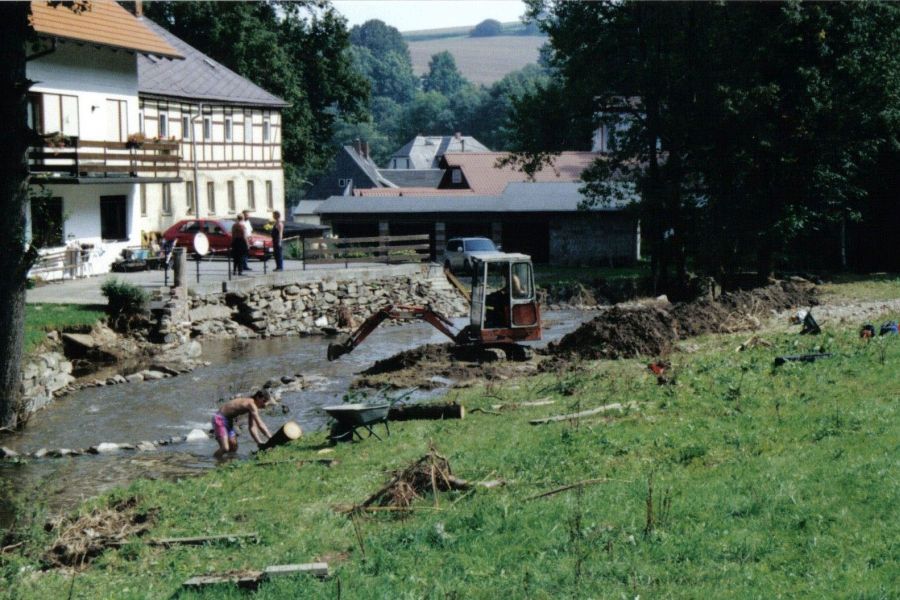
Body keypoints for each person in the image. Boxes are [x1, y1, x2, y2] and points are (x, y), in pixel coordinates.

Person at [212, 390, 274, 457]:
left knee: (234, 447)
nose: (264, 405)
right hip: (219, 419)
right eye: (264, 401)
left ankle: (228, 461)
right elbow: (260, 424)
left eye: (266, 402)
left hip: (228, 420)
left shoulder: (252, 405)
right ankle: (213, 460)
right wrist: (271, 438)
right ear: (258, 397)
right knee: (225, 448)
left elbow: (252, 427)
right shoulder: (251, 404)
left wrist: (259, 442)